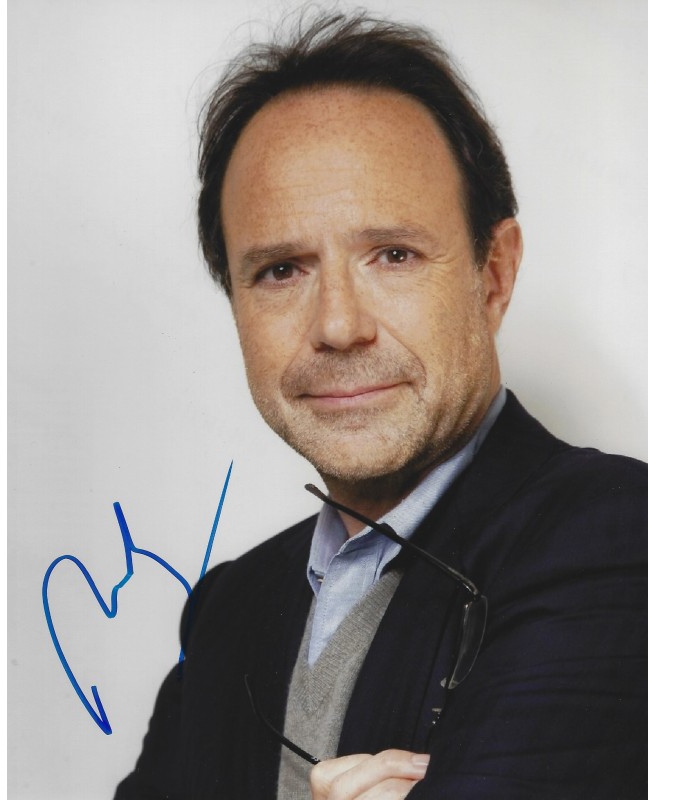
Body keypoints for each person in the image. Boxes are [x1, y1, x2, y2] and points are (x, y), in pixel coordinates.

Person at [115, 10, 647, 799]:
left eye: (393, 255)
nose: (338, 326)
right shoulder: (229, 608)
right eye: (281, 271)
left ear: (493, 275)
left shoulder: (624, 536)